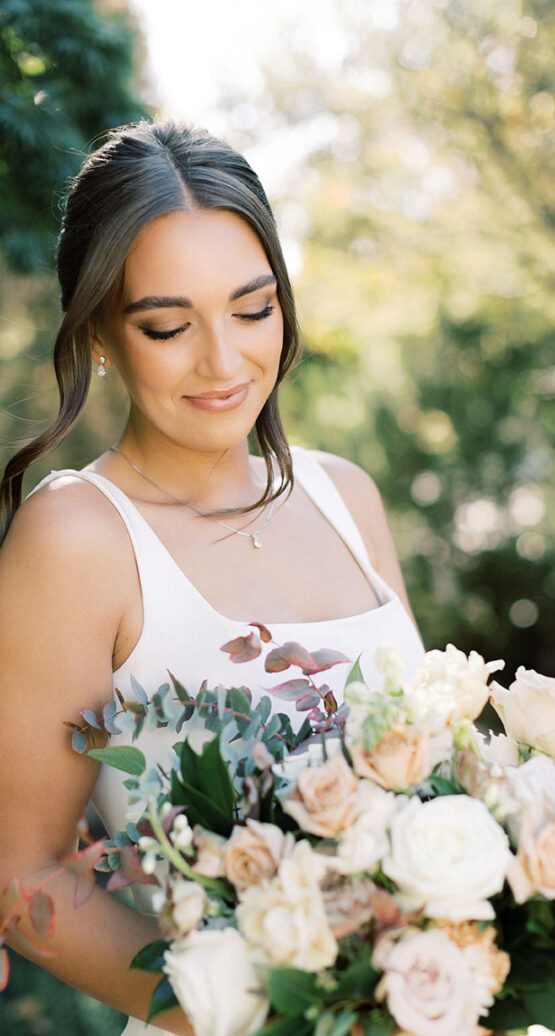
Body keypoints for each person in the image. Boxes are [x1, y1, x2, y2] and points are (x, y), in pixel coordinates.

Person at [0, 120, 425, 1035]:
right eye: (167, 325)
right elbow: (22, 878)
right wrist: (260, 1018)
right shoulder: (76, 539)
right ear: (101, 332)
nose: (225, 362)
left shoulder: (346, 495)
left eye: (252, 308)